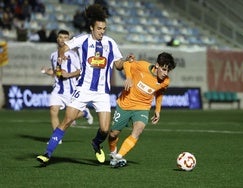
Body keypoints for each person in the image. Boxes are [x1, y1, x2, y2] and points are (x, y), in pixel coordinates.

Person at [36, 4, 128, 166]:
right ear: (92, 28)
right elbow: (64, 46)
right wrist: (62, 55)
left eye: (104, 29)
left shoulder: (110, 43)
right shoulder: (83, 39)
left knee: (105, 129)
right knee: (67, 120)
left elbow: (118, 64)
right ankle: (47, 154)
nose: (102, 32)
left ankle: (96, 143)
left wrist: (126, 61)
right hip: (83, 89)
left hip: (102, 92)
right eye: (99, 28)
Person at [108, 52, 176, 168]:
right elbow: (128, 64)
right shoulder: (143, 66)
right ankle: (113, 152)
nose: (165, 73)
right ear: (157, 65)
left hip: (142, 107)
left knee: (138, 130)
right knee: (113, 134)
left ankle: (118, 157)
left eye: (168, 71)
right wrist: (129, 77)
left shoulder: (165, 81)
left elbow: (159, 93)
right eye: (164, 69)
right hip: (125, 104)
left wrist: (158, 110)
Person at [41, 29, 94, 144]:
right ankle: (56, 138)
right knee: (53, 110)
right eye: (60, 37)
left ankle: (85, 113)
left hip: (71, 90)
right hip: (58, 89)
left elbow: (82, 70)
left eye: (65, 38)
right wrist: (48, 72)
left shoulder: (73, 55)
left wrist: (69, 74)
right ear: (57, 39)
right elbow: (56, 72)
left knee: (69, 116)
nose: (62, 40)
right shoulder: (53, 55)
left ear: (69, 40)